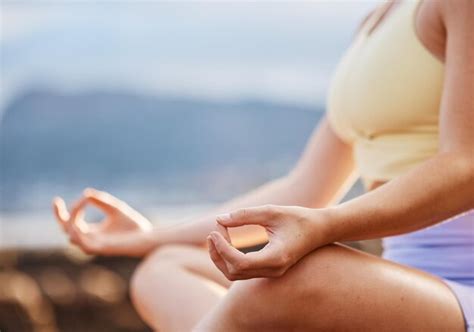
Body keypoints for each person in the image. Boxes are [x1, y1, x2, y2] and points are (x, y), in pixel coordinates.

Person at [53, 0, 474, 330]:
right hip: (409, 286)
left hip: (462, 292)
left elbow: (465, 164)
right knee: (164, 268)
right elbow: (303, 191)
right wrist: (150, 237)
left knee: (298, 276)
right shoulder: (375, 22)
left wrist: (325, 227)